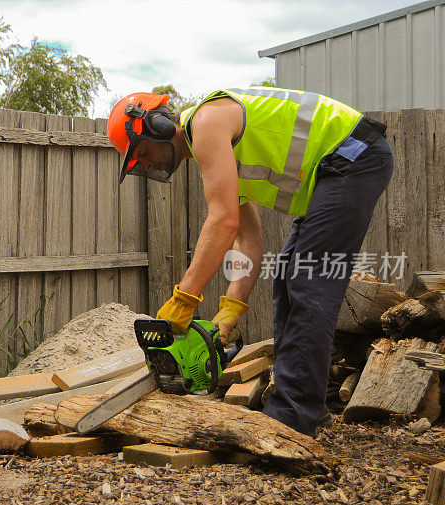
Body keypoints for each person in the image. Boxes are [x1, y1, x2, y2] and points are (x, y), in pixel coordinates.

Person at [106, 87, 393, 436]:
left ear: (156, 125)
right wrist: (230, 312)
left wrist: (184, 298)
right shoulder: (213, 154)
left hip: (353, 154)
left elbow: (223, 221)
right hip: (334, 167)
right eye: (138, 163)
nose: (146, 163)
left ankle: (292, 416)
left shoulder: (207, 121)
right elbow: (248, 241)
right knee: (288, 276)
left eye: (142, 153)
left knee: (308, 282)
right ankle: (304, 408)